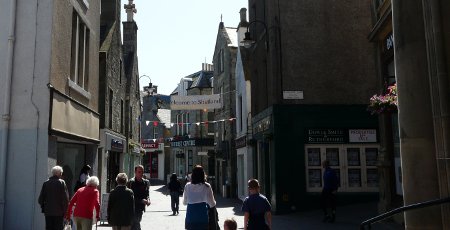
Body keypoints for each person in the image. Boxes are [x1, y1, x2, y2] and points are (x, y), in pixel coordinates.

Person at [183, 165, 216, 230]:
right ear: (203, 175)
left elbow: (185, 202)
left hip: (190, 217)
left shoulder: (187, 186)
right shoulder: (207, 186)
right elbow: (212, 204)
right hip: (202, 217)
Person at [38, 165, 69, 230]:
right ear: (59, 173)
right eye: (61, 173)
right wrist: (66, 211)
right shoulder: (62, 182)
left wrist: (44, 207)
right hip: (59, 213)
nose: (61, 175)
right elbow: (65, 199)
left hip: (48, 212)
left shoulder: (46, 183)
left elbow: (40, 200)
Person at [127, 165, 150, 230]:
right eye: (139, 172)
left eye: (142, 172)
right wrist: (141, 200)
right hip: (132, 209)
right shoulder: (131, 182)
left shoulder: (145, 182)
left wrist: (148, 200)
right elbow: (129, 197)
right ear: (135, 172)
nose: (141, 174)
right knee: (135, 225)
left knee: (136, 223)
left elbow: (147, 193)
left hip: (140, 208)